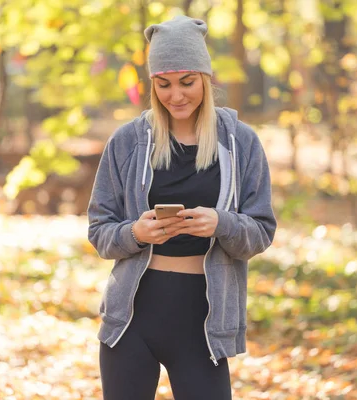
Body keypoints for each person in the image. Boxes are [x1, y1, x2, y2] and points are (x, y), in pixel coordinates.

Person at [87, 15, 277, 400]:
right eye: (164, 84)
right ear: (153, 84)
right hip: (131, 319)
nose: (176, 95)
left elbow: (261, 231)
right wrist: (134, 234)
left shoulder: (240, 143)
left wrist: (222, 223)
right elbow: (99, 230)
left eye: (187, 82)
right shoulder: (127, 143)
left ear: (206, 79)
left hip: (203, 320)